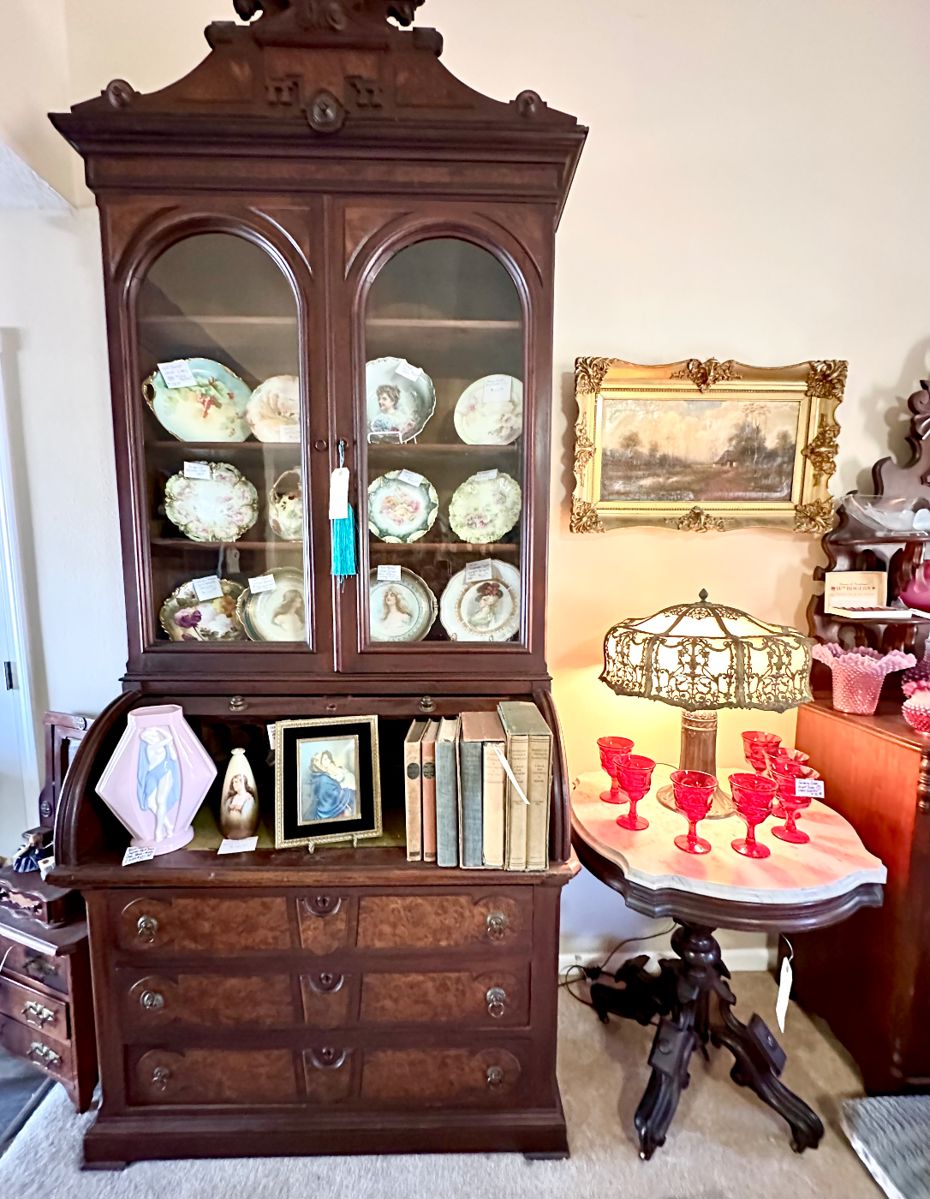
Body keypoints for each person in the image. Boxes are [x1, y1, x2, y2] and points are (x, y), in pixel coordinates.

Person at [137, 727, 180, 843]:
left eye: (153, 736)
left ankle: (158, 830)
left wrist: (159, 731)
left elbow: (174, 758)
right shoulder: (151, 747)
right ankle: (168, 825)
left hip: (165, 772)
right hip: (152, 774)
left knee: (161, 800)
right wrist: (159, 732)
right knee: (151, 803)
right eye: (149, 737)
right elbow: (169, 738)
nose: (150, 739)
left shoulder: (165, 746)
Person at [303, 749, 357, 823]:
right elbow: (334, 796)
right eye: (323, 760)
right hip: (330, 814)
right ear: (317, 764)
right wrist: (349, 791)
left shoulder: (323, 775)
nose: (326, 761)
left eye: (327, 758)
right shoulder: (323, 779)